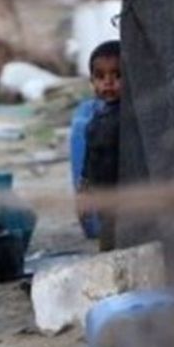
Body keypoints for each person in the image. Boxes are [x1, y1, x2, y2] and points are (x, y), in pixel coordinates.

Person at [74, 40, 121, 251]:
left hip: (127, 198)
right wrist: (84, 189)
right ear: (92, 81)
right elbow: (90, 157)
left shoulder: (129, 118)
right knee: (109, 242)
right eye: (100, 77)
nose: (108, 83)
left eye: (117, 75)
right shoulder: (97, 118)